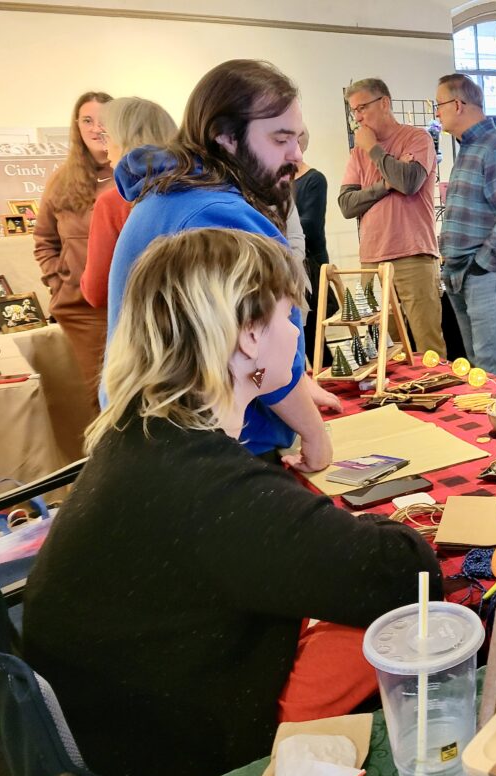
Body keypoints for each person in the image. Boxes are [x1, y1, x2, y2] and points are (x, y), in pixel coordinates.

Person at [23, 229, 442, 776]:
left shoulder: (138, 435)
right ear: (248, 335)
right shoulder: (203, 482)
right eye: (288, 316)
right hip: (177, 771)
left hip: (121, 732)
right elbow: (408, 575)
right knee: (411, 638)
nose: (297, 333)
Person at [107, 59, 338, 470]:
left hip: (168, 441)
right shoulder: (219, 215)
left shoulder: (173, 196)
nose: (296, 155)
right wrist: (314, 431)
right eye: (281, 139)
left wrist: (296, 379)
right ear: (225, 137)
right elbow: (257, 350)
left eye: (297, 139)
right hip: (221, 450)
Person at [339, 78, 446, 357]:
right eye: (354, 111)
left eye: (362, 107)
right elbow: (347, 204)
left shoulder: (417, 138)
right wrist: (385, 185)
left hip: (413, 254)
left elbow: (408, 182)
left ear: (385, 103)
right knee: (385, 348)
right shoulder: (357, 153)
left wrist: (375, 149)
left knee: (428, 344)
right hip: (373, 259)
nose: (358, 117)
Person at [436, 73, 496, 375]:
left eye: (439, 105)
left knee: (491, 367)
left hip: (482, 273)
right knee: (477, 368)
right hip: (461, 272)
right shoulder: (469, 147)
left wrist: (481, 264)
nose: (437, 112)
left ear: (458, 104)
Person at [33, 91, 113, 401]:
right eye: (88, 121)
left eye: (104, 120)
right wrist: (60, 279)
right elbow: (44, 241)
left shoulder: (134, 175)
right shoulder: (61, 181)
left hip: (134, 303)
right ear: (77, 127)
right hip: (83, 310)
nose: (96, 128)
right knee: (102, 395)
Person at [82, 97, 177, 309]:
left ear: (123, 140)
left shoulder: (114, 202)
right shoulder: (197, 189)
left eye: (107, 136)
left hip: (140, 328)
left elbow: (96, 292)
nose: (105, 147)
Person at [292, 126, 332, 362]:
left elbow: (311, 225)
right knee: (296, 336)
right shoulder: (277, 183)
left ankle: (331, 388)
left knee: (315, 338)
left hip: (312, 266)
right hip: (290, 264)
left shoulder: (314, 180)